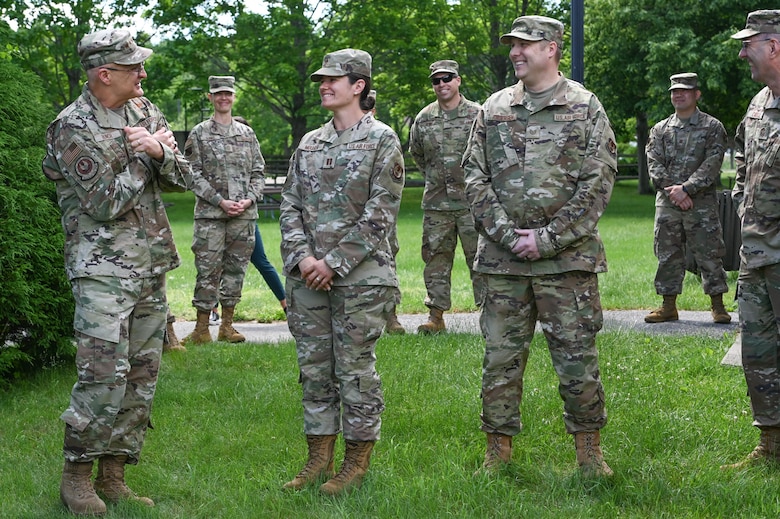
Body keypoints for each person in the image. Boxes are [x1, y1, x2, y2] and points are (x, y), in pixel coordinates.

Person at [41, 28, 195, 515]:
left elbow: (184, 175)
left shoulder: (143, 111)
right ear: (105, 74)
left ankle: (114, 474)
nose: (144, 74)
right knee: (102, 375)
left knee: (141, 377)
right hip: (102, 272)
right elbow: (104, 202)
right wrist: (143, 155)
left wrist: (160, 151)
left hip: (150, 264)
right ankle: (77, 477)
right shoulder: (71, 126)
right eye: (134, 67)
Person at [463, 15, 618, 478]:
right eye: (512, 45)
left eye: (525, 45)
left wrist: (548, 239)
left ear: (551, 48)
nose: (515, 52)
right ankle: (498, 453)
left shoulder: (585, 107)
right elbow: (473, 176)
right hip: (503, 262)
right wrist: (510, 236)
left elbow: (598, 182)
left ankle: (590, 455)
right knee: (499, 361)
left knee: (577, 361)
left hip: (567, 263)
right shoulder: (493, 108)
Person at [280, 49, 404, 495]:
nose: (324, 85)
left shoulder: (383, 140)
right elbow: (289, 204)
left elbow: (380, 213)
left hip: (362, 279)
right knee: (314, 370)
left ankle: (356, 462)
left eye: (334, 79)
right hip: (307, 278)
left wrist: (333, 263)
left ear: (359, 86)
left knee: (354, 370)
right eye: (321, 79)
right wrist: (303, 260)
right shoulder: (310, 142)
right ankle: (318, 459)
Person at [722, 9, 780, 470]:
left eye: (749, 44)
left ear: (775, 46)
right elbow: (743, 157)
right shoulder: (759, 103)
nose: (743, 53)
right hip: (756, 254)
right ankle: (770, 446)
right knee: (758, 353)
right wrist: (744, 202)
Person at [182, 76, 264, 344]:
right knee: (207, 270)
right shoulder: (199, 133)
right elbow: (191, 174)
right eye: (218, 94)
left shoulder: (247, 134)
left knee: (236, 270)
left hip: (243, 216)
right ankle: (201, 329)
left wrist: (250, 199)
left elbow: (258, 173)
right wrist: (219, 201)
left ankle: (227, 326)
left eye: (227, 93)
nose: (223, 98)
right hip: (211, 217)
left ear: (233, 96)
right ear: (210, 97)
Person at [644, 72, 731, 325]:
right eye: (674, 91)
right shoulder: (660, 129)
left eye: (683, 90)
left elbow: (713, 162)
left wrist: (688, 189)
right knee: (667, 253)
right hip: (669, 203)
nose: (678, 94)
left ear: (696, 94)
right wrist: (675, 191)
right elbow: (654, 164)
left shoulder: (712, 127)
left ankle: (718, 306)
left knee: (709, 252)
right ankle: (668, 306)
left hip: (700, 204)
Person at [409, 60, 481, 334]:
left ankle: (490, 313)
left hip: (473, 203)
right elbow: (417, 154)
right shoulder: (424, 118)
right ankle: (436, 317)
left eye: (447, 78)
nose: (442, 84)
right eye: (436, 81)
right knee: (436, 260)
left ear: (458, 80)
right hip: (437, 204)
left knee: (480, 259)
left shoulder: (478, 114)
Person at [363, 89, 405, 335]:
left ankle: (391, 316)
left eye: (369, 109)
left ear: (374, 111)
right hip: (351, 213)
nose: (366, 114)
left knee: (387, 262)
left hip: (380, 214)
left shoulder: (384, 135)